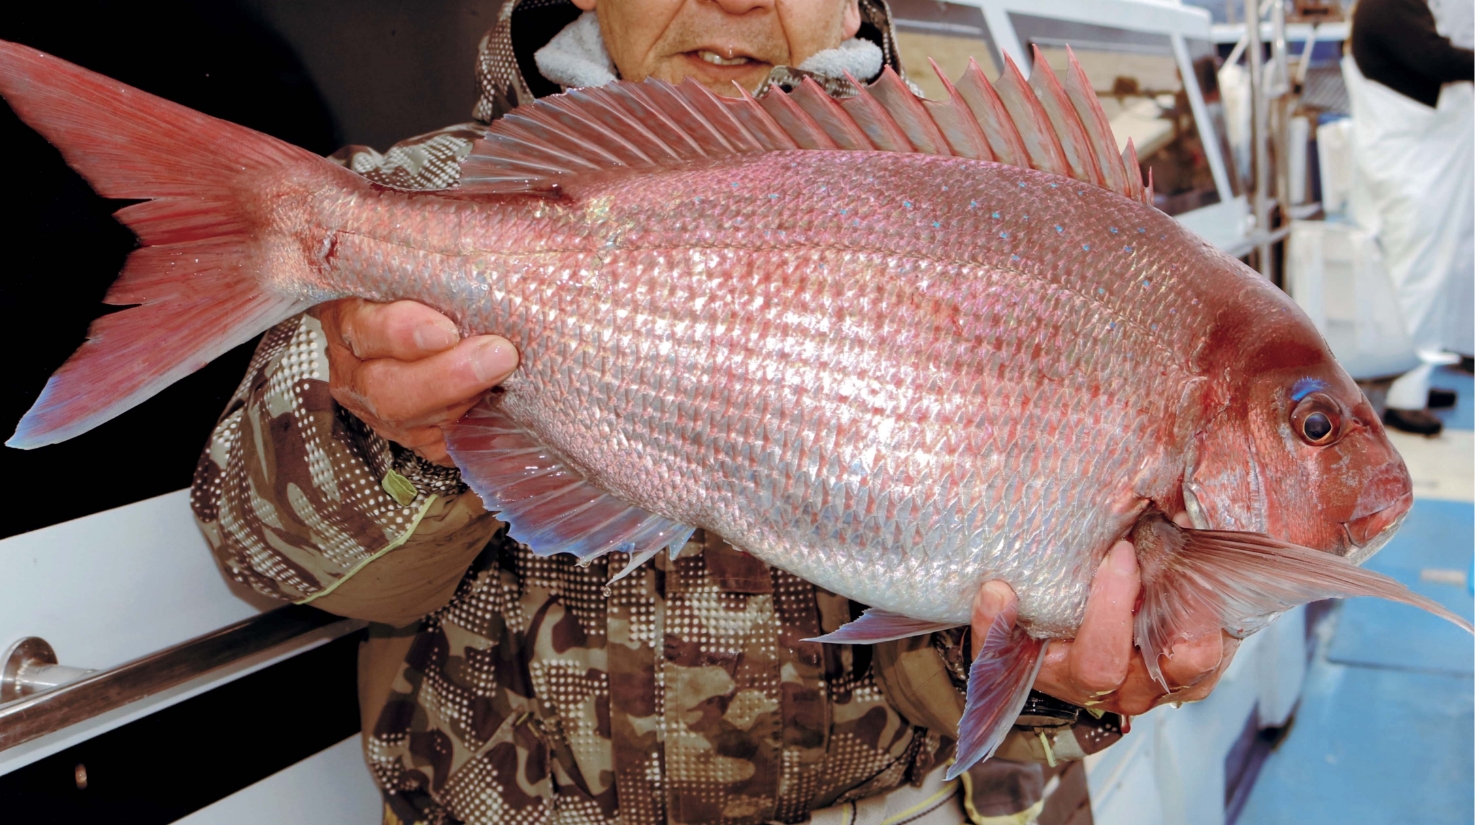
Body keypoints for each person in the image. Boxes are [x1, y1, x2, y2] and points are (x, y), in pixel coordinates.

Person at [190, 1, 1238, 822]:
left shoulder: (992, 200)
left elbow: (983, 641)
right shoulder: (426, 200)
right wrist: (389, 436)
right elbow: (251, 550)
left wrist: (1050, 662)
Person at [1347, 0, 1474, 436]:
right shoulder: (1388, 5)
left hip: (1418, 163)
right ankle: (1404, 397)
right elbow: (1435, 58)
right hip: (1411, 166)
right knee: (1418, 276)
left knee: (1430, 275)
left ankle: (1415, 377)